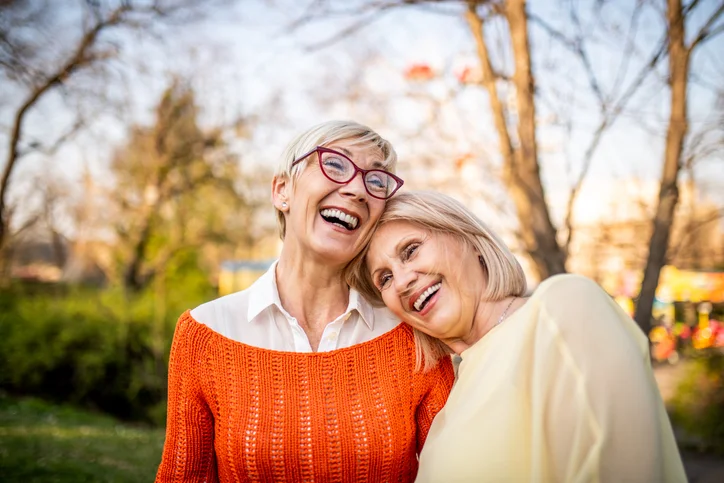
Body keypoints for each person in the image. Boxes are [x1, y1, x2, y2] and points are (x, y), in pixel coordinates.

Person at [155, 123, 454, 482]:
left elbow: (452, 470)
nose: (358, 189)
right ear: (282, 191)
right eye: (336, 164)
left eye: (376, 181)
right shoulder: (205, 334)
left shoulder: (413, 335)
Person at [348, 190, 687, 483]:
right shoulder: (447, 398)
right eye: (385, 279)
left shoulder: (561, 307)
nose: (403, 280)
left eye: (410, 250)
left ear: (470, 240)